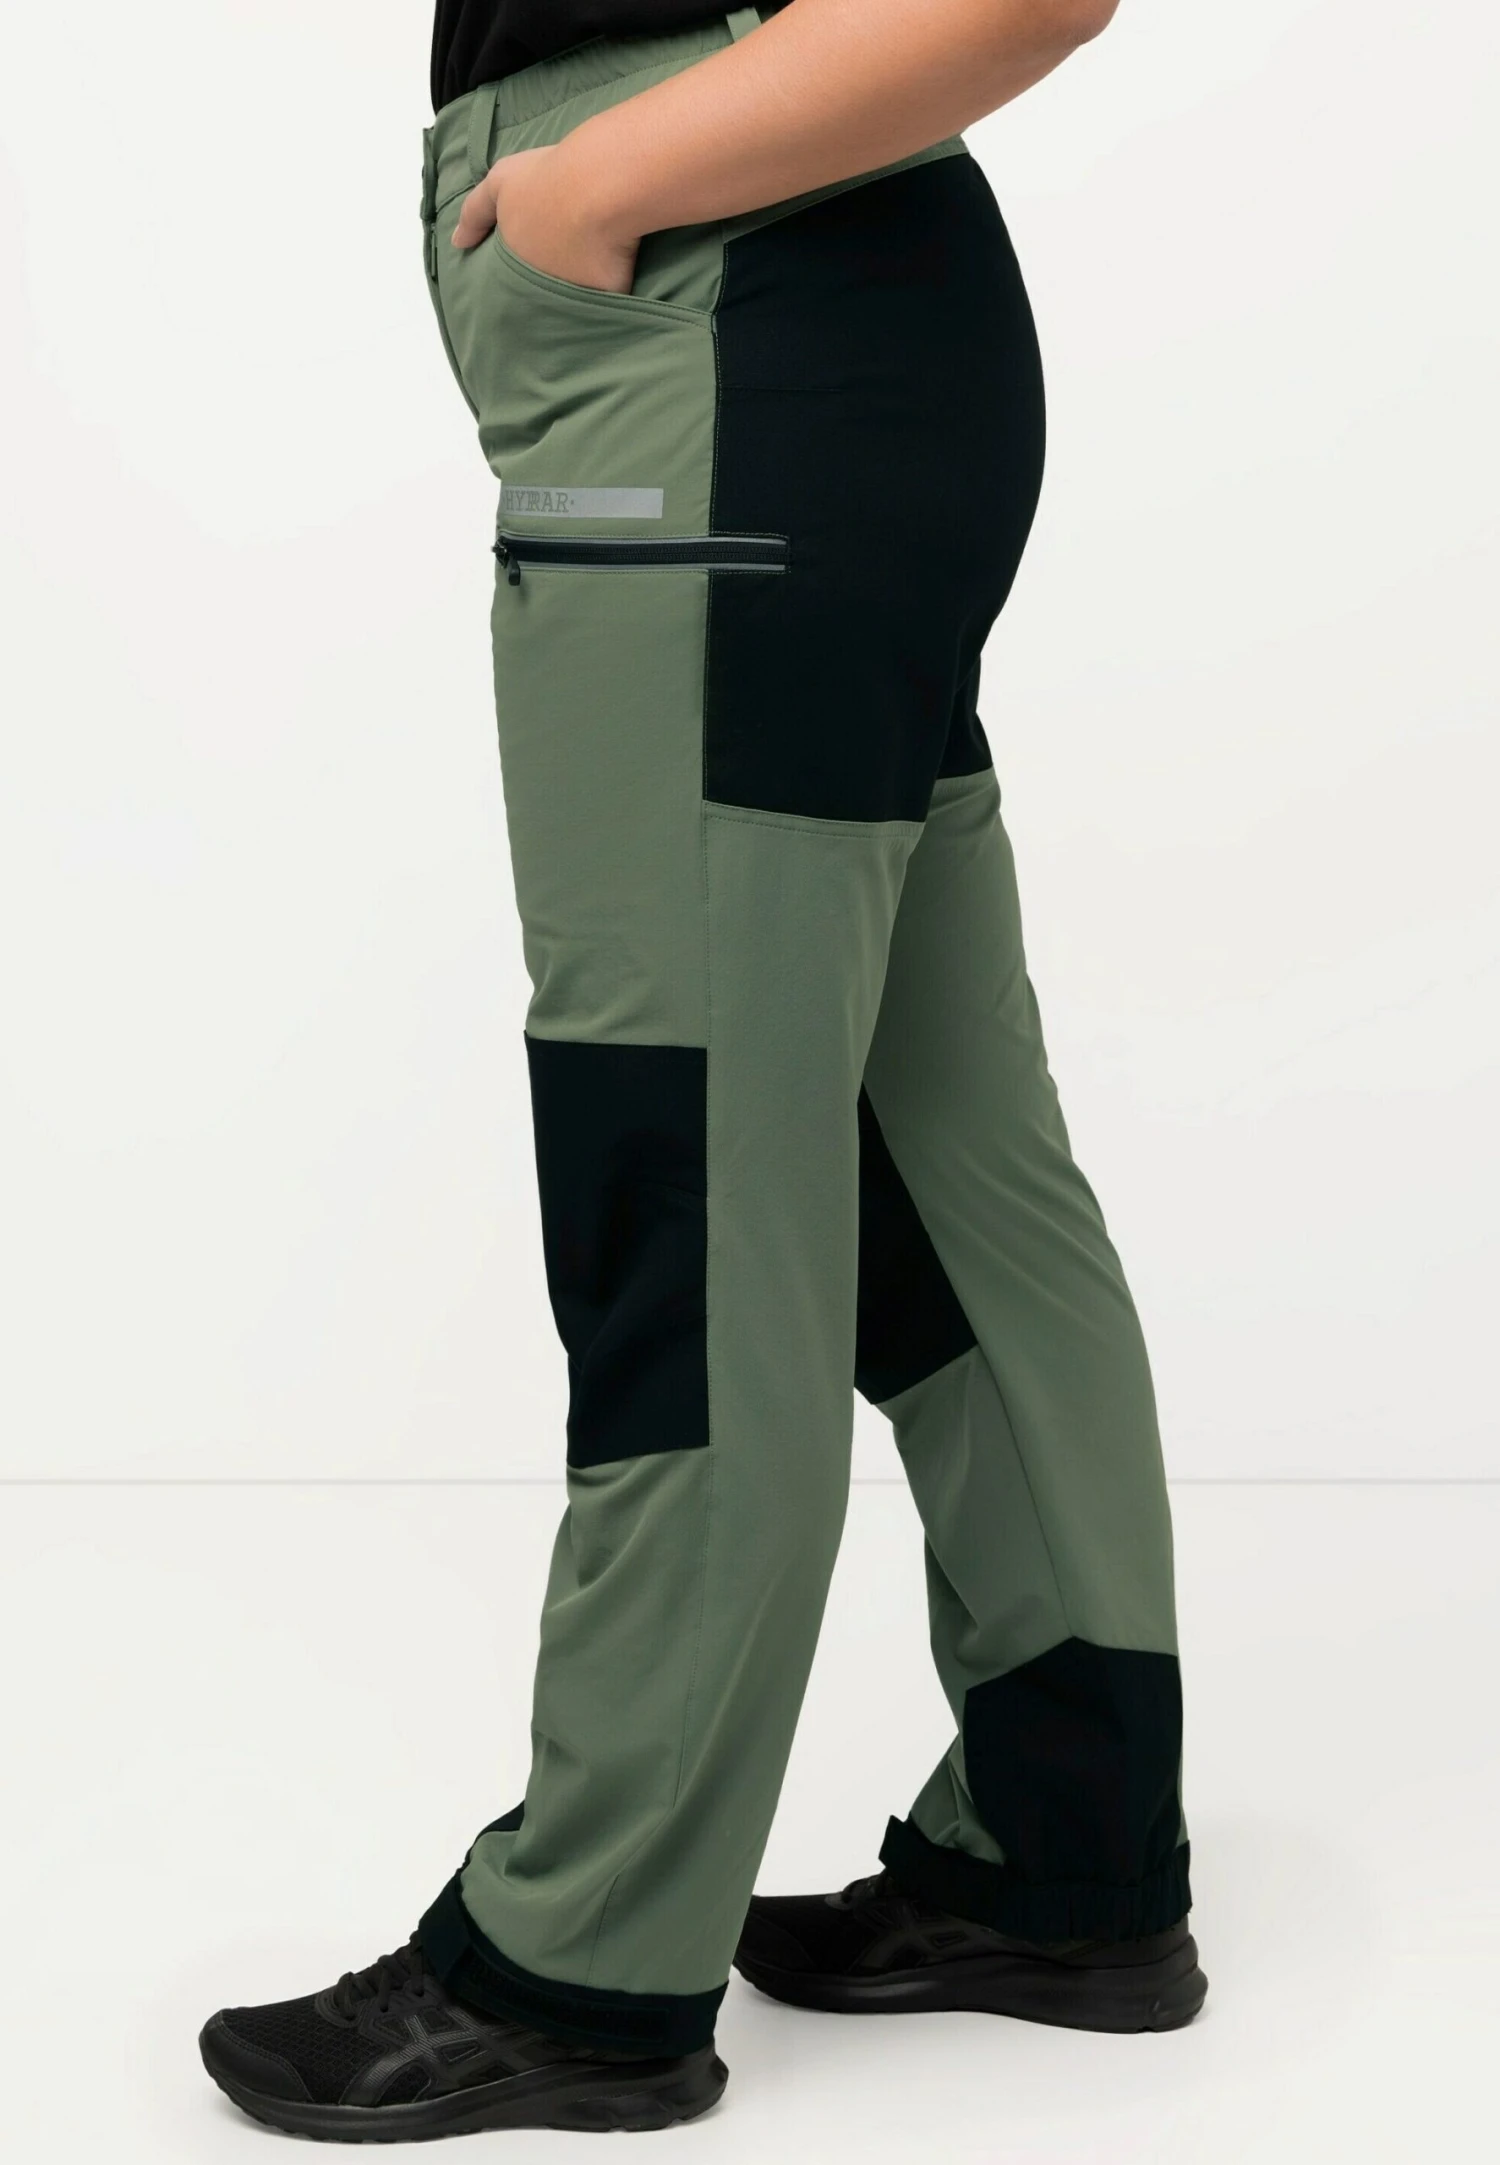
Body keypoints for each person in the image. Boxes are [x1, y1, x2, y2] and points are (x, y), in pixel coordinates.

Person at [198, 0, 1207, 2138]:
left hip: (722, 347)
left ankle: (585, 1958)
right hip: (812, 352)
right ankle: (1066, 1854)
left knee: (691, 1172)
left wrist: (591, 187)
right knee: (937, 1166)